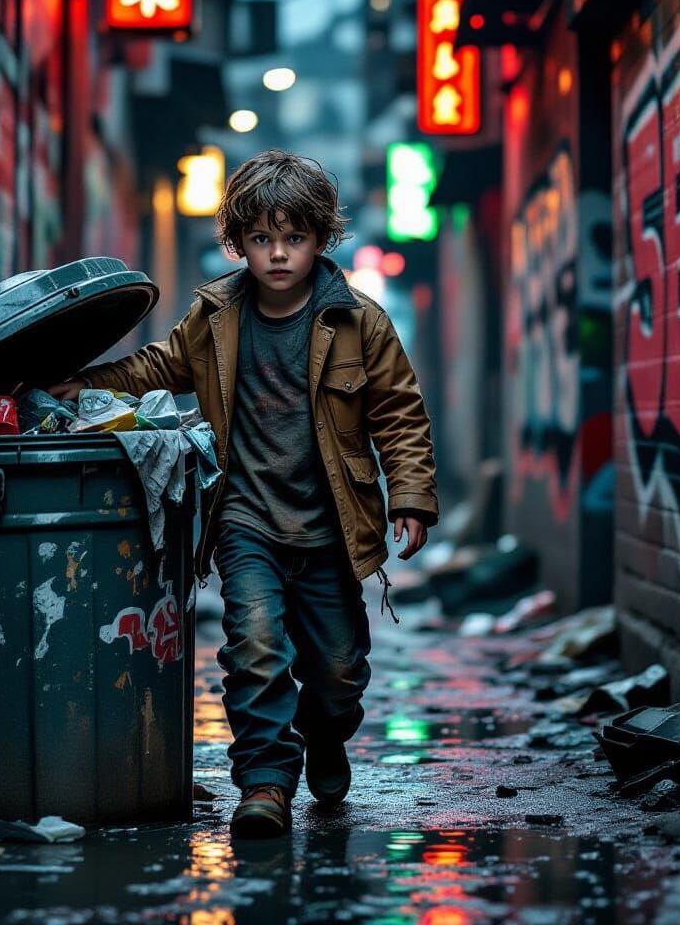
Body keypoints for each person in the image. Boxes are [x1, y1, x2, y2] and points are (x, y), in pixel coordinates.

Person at [50, 150, 438, 838]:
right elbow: (161, 364)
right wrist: (91, 385)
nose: (278, 254)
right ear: (238, 243)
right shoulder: (216, 315)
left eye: (294, 238)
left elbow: (399, 414)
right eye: (261, 239)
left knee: (339, 673)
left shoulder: (359, 322)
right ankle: (265, 782)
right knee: (253, 646)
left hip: (329, 528)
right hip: (246, 519)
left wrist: (409, 494)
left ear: (321, 239)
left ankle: (325, 734)